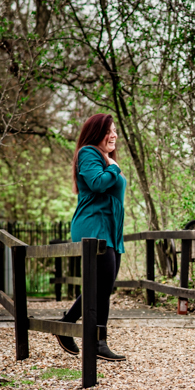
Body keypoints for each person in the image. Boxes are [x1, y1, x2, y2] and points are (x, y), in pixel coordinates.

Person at [56, 114, 126, 361]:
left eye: (115, 130)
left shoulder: (104, 158)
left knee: (102, 286)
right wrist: (114, 168)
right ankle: (97, 342)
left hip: (110, 228)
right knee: (102, 286)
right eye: (109, 131)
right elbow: (97, 184)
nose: (114, 135)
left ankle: (67, 324)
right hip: (94, 225)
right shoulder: (88, 153)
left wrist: (111, 165)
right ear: (97, 133)